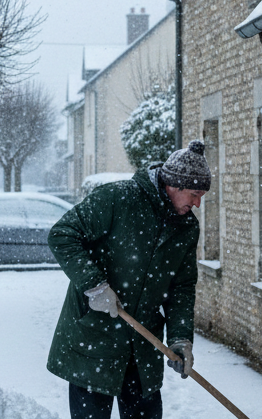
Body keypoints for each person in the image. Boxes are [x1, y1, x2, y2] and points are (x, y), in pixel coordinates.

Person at [47, 140, 211, 419]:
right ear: (174, 185)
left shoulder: (186, 227)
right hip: (94, 337)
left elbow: (181, 287)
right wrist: (94, 285)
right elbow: (62, 235)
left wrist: (181, 338)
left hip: (142, 346)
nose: (197, 203)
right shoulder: (117, 199)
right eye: (194, 194)